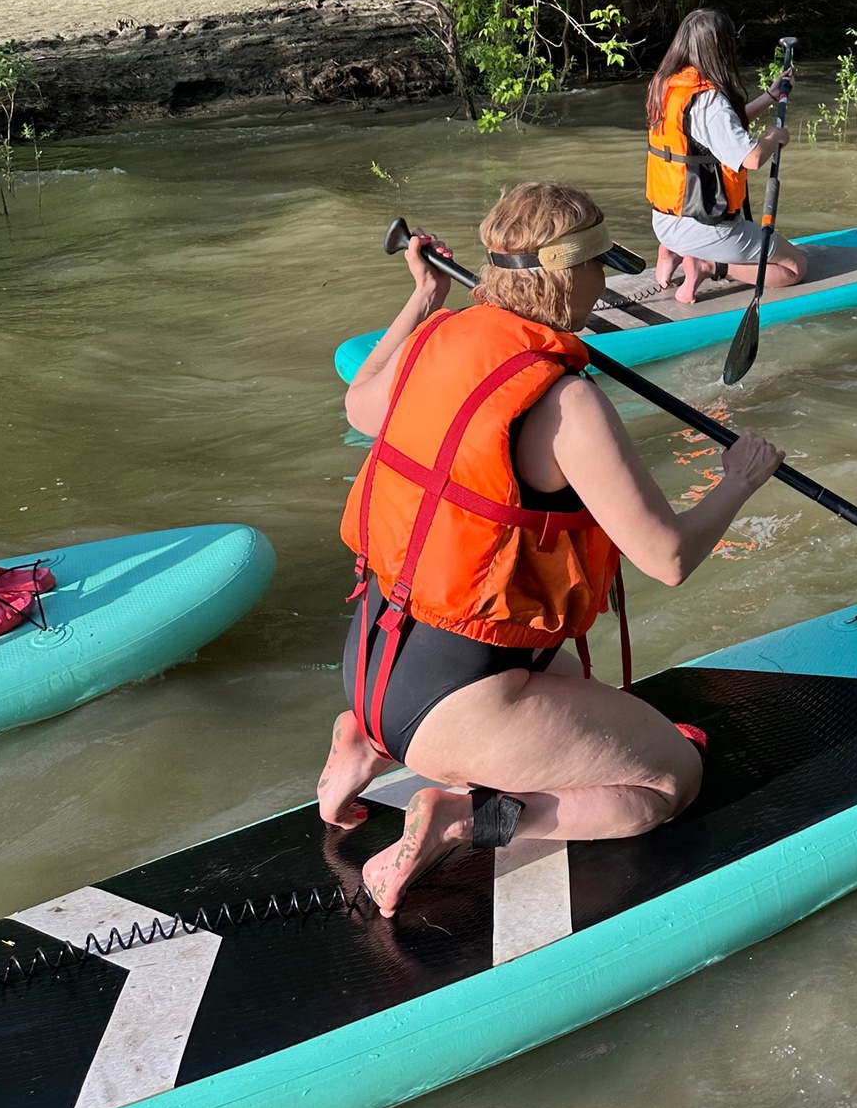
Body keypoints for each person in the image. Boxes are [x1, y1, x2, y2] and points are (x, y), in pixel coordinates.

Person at [317, 180, 784, 916]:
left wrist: (423, 298)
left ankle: (364, 742)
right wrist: (739, 481)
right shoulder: (565, 403)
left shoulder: (436, 339)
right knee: (666, 781)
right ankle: (461, 817)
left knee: (556, 678)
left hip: (373, 653)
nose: (607, 282)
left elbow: (358, 403)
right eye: (603, 266)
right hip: (453, 698)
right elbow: (666, 557)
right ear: (573, 275)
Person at [646, 7, 810, 304]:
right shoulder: (709, 102)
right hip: (701, 228)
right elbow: (751, 158)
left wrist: (770, 97)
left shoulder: (666, 85)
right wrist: (774, 137)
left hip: (664, 222)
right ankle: (707, 264)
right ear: (719, 50)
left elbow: (716, 136)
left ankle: (668, 252)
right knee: (794, 267)